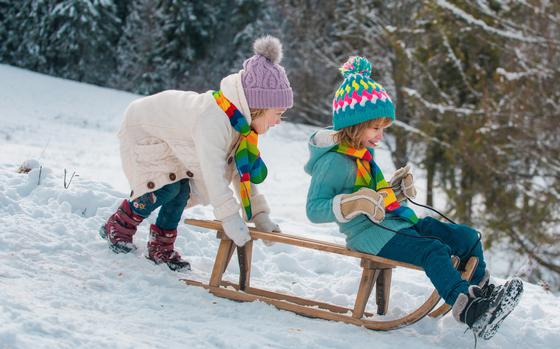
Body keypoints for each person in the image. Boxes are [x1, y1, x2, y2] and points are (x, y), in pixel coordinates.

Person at [304, 56, 523, 340]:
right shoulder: (334, 162)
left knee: (467, 237)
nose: (380, 136)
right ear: (354, 125)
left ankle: (484, 295)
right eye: (375, 128)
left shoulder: (362, 155)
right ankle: (470, 310)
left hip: (395, 222)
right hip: (368, 235)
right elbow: (313, 209)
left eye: (383, 128)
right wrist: (351, 203)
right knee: (433, 250)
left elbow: (376, 199)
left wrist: (396, 191)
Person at [99, 35, 292, 271]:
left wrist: (261, 217)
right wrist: (230, 218)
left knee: (181, 189)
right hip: (144, 127)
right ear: (258, 107)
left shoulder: (241, 127)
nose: (279, 121)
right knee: (165, 187)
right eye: (278, 113)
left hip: (171, 137)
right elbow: (213, 173)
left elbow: (239, 174)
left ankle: (161, 246)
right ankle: (118, 226)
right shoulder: (216, 119)